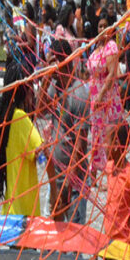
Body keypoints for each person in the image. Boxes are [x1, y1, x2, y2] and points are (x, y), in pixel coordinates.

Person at [45, 40, 90, 224]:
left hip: (73, 182)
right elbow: (40, 109)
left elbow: (81, 144)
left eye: (52, 60)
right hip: (56, 177)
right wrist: (46, 78)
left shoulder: (79, 93)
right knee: (54, 240)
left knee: (73, 242)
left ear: (62, 60)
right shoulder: (54, 86)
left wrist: (66, 185)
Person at [0, 58, 44, 218]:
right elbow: (41, 154)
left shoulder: (7, 118)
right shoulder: (21, 119)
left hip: (11, 211)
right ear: (26, 90)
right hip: (25, 213)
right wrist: (48, 140)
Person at [86, 15, 124, 173]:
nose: (102, 29)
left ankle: (109, 171)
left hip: (107, 100)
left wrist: (101, 95)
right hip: (95, 100)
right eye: (100, 26)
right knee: (96, 135)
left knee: (108, 137)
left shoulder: (111, 46)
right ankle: (95, 171)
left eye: (105, 26)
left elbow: (112, 74)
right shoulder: (96, 48)